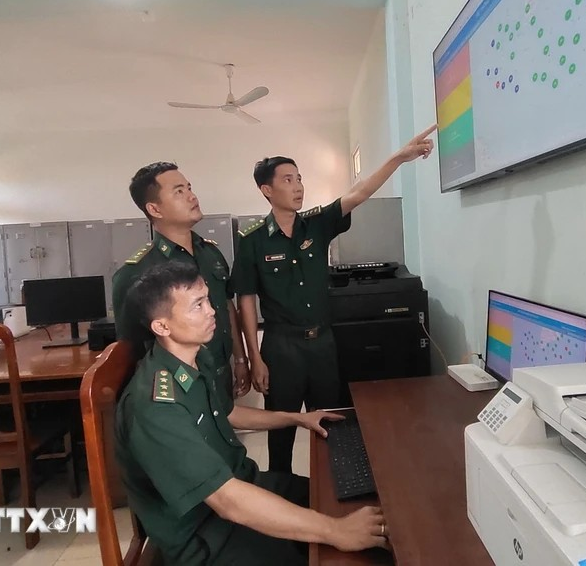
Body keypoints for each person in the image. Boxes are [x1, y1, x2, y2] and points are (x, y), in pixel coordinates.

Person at [115, 262, 389, 565]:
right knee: (338, 546)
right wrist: (335, 531)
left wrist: (297, 418)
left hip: (243, 484)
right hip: (206, 535)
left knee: (340, 500)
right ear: (162, 327)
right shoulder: (155, 407)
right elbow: (226, 501)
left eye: (208, 299)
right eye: (197, 305)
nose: (212, 311)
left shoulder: (195, 357)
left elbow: (227, 413)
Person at [232, 125, 436, 472]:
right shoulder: (252, 240)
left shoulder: (317, 224)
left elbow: (359, 192)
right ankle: (282, 490)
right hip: (281, 348)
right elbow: (246, 301)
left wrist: (399, 158)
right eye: (287, 180)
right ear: (266, 189)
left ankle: (333, 487)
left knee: (331, 427)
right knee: (281, 430)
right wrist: (255, 358)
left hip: (322, 344)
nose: (298, 186)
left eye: (299, 178)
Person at [111, 162, 250, 401]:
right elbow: (130, 350)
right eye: (179, 191)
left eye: (189, 188)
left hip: (221, 374)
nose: (192, 196)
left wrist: (240, 359)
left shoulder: (210, 254)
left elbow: (226, 307)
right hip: (178, 389)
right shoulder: (137, 273)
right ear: (155, 209)